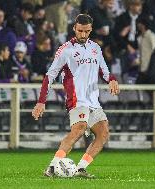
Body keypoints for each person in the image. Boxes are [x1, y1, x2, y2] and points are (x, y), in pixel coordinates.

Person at [32, 14, 120, 178]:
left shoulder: (96, 48)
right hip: (76, 99)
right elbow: (49, 76)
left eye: (86, 31)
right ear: (74, 29)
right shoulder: (65, 50)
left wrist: (112, 80)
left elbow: (105, 72)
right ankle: (52, 167)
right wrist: (41, 101)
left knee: (103, 133)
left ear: (91, 29)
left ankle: (80, 168)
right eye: (80, 31)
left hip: (94, 101)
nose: (83, 35)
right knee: (78, 129)